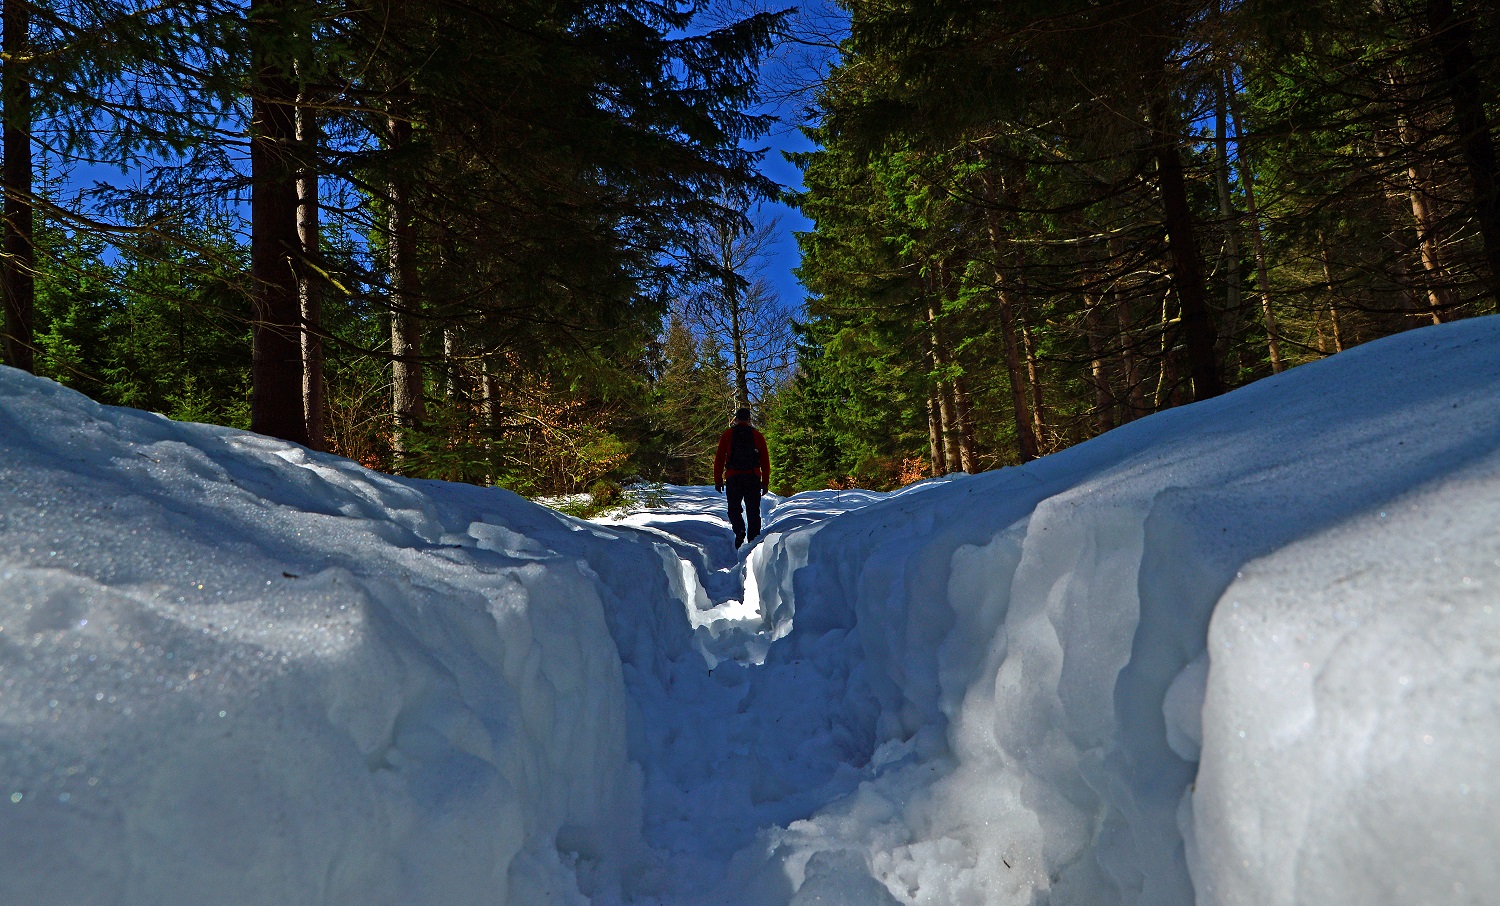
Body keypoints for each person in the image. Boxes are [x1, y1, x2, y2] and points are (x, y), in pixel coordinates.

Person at [713, 407, 770, 549]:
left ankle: (739, 530)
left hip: (734, 477)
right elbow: (765, 461)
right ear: (749, 419)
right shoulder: (757, 436)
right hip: (752, 477)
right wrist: (765, 482)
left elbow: (719, 459)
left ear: (736, 419)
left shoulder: (727, 435)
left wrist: (718, 480)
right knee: (753, 510)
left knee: (733, 508)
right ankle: (754, 543)